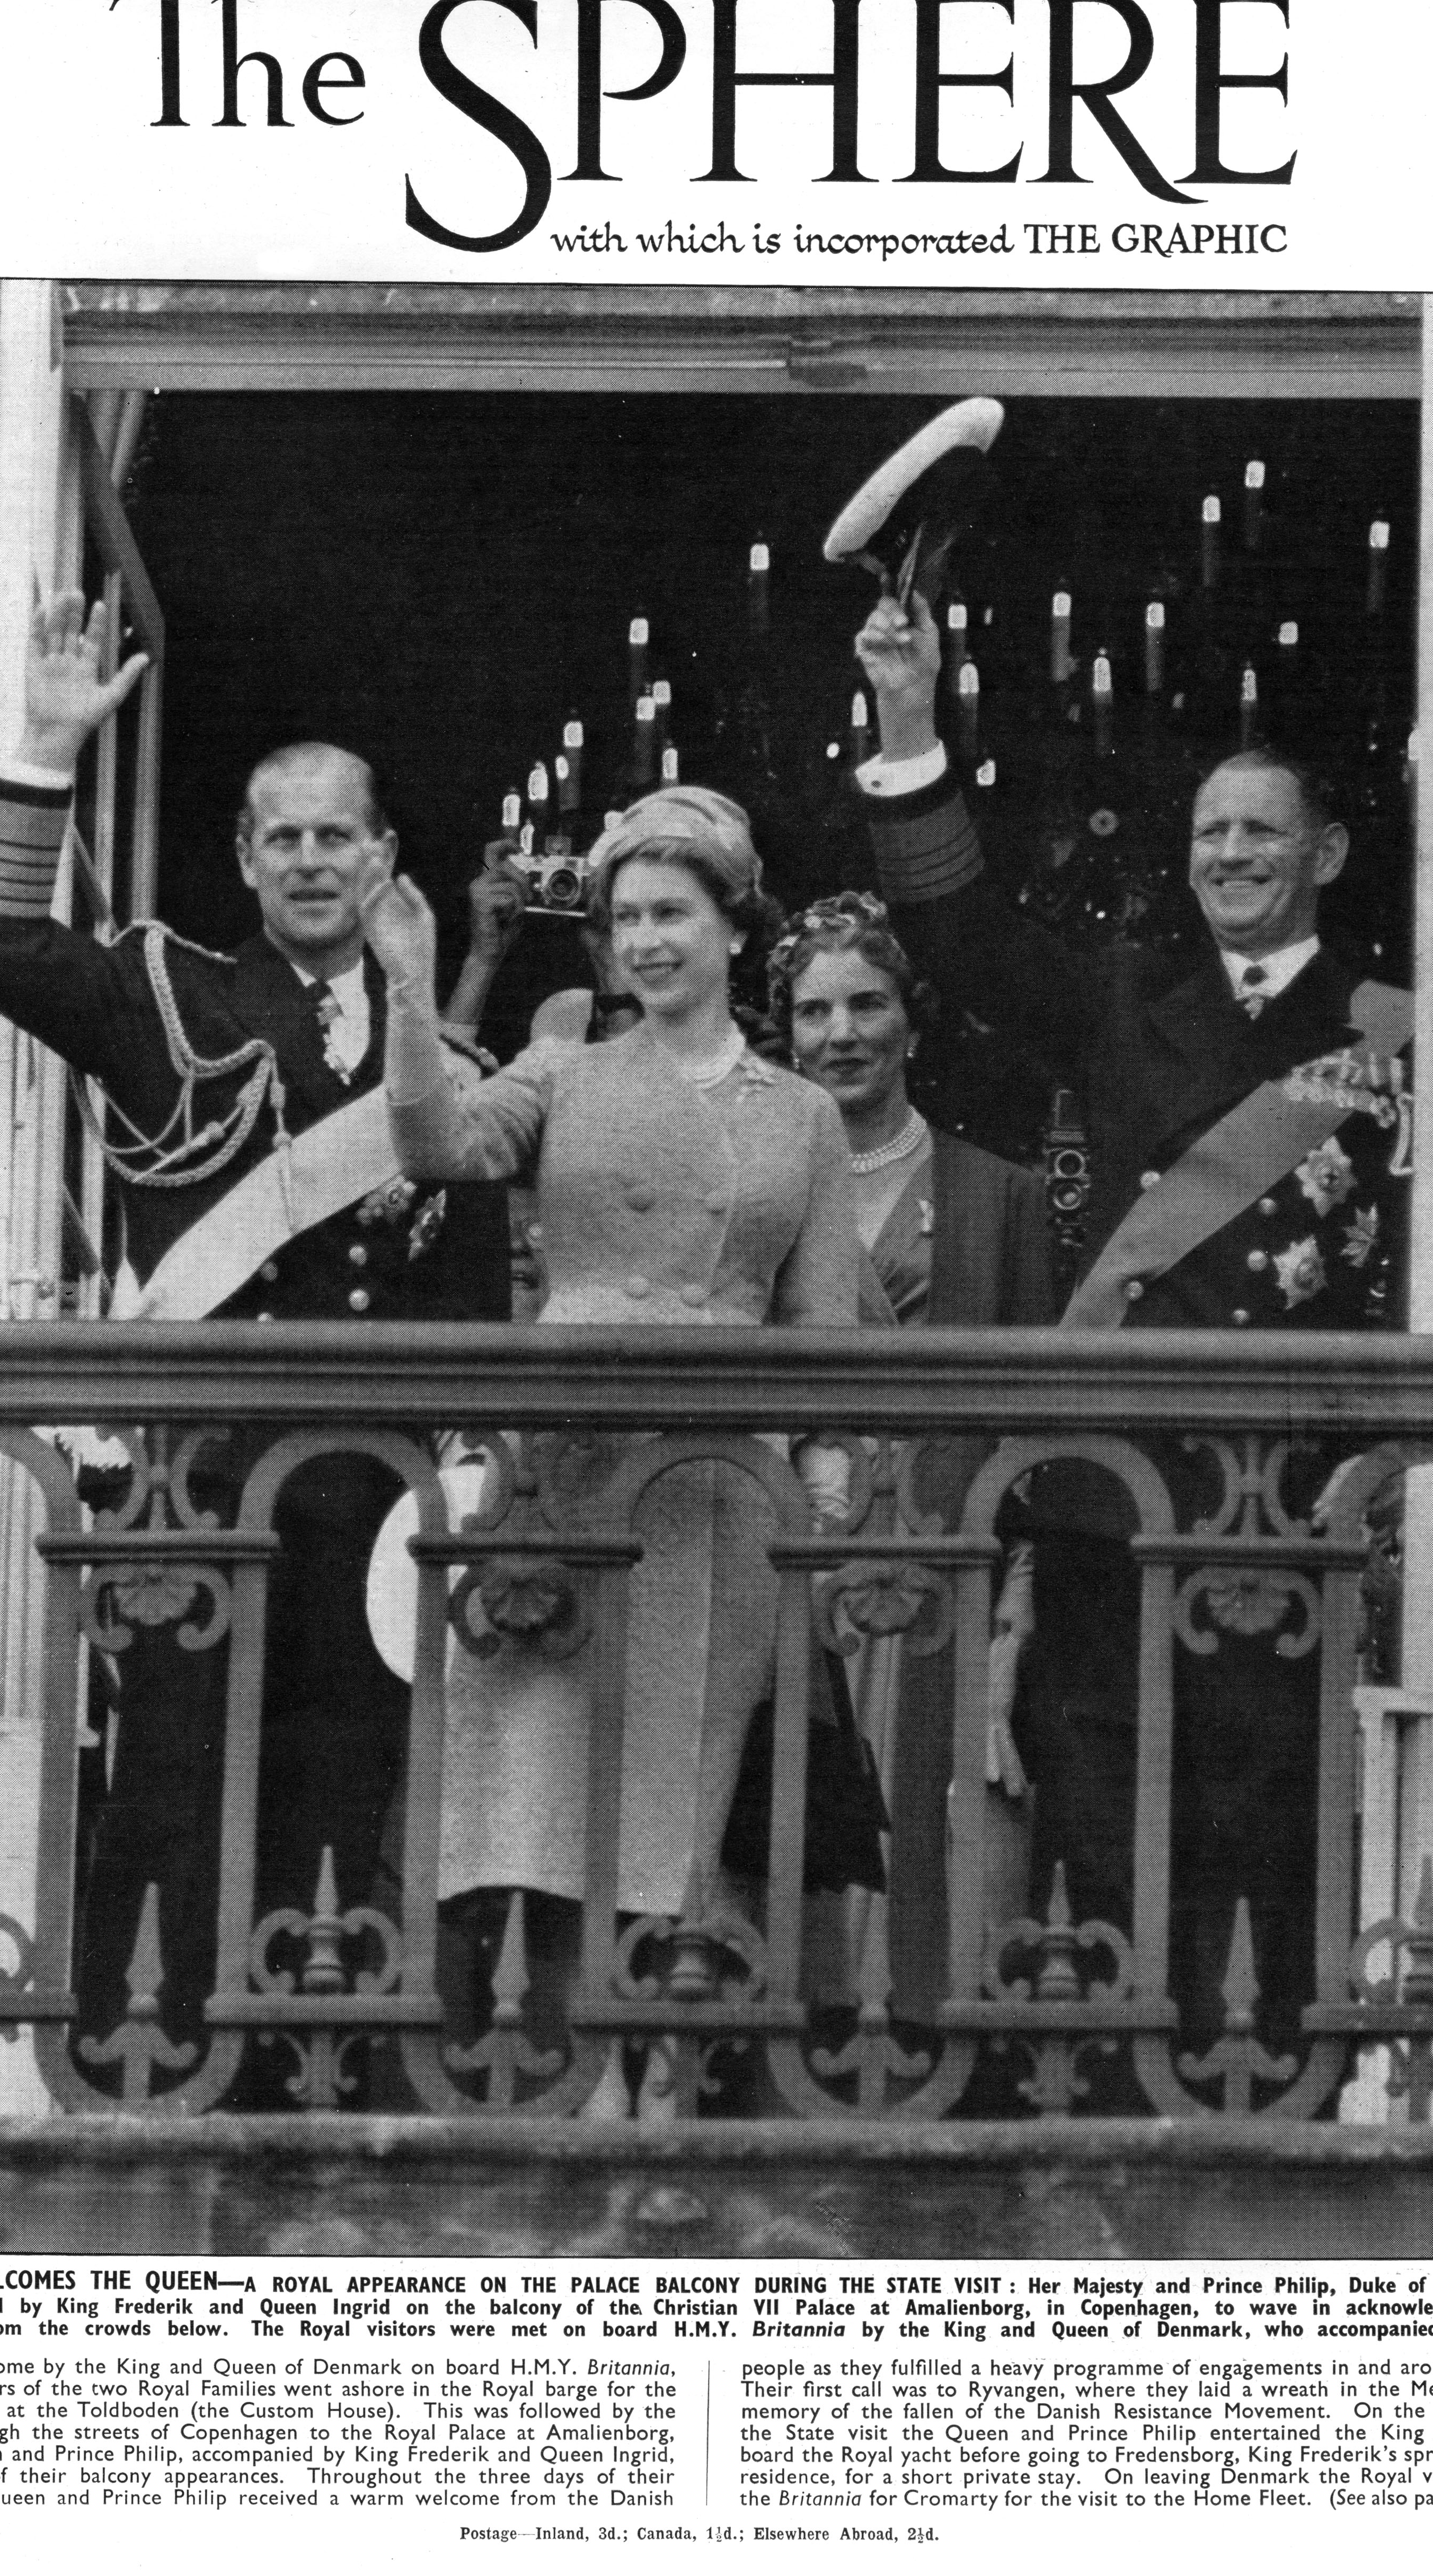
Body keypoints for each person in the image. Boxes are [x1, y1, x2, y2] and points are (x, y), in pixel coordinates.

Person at [0, 590, 514, 2069]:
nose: (315, 860)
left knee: (351, 1801)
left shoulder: (453, 1063)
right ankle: (146, 2075)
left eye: (342, 835)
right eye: (286, 836)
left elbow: (471, 1292)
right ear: (244, 860)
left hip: (378, 1494)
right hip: (200, 1488)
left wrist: (469, 1469)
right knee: (178, 1803)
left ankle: (326, 2093)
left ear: (387, 857)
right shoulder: (162, 996)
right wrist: (44, 745)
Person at [847, 592, 1414, 2057]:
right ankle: (1112, 2091)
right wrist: (910, 726)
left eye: (1260, 831)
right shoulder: (1124, 1005)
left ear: (1327, 855)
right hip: (1114, 1480)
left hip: (1294, 1487)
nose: (1228, 855)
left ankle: (1270, 2092)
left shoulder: (1405, 1031)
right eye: (1210, 833)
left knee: (1270, 1807)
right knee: (1097, 1794)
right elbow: (961, 939)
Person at [359, 788, 857, 2112]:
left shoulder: (801, 1116)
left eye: (670, 915)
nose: (643, 942)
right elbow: (437, 1142)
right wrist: (411, 995)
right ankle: (555, 2089)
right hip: (561, 1475)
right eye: (623, 918)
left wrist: (829, 1487)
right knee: (537, 1795)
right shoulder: (562, 1070)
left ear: (731, 930)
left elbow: (825, 1328)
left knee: (673, 1804)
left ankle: (662, 2093)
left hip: (714, 1490)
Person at [771, 892, 1052, 2021]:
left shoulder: (999, 1196)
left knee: (938, 1846)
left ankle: (929, 2071)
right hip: (796, 1558)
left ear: (911, 1025)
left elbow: (1037, 1432)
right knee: (792, 1824)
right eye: (812, 1010)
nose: (840, 1032)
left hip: (948, 1567)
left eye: (866, 1004)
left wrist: (1017, 1620)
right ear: (783, 1033)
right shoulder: (759, 1192)